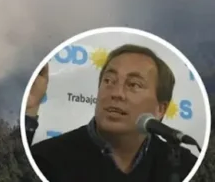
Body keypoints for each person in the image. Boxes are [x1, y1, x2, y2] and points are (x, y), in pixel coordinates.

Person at [24, 43, 199, 181]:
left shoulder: (184, 166)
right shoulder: (47, 160)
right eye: (109, 80)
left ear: (160, 109)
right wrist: (29, 110)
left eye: (133, 85)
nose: (116, 93)